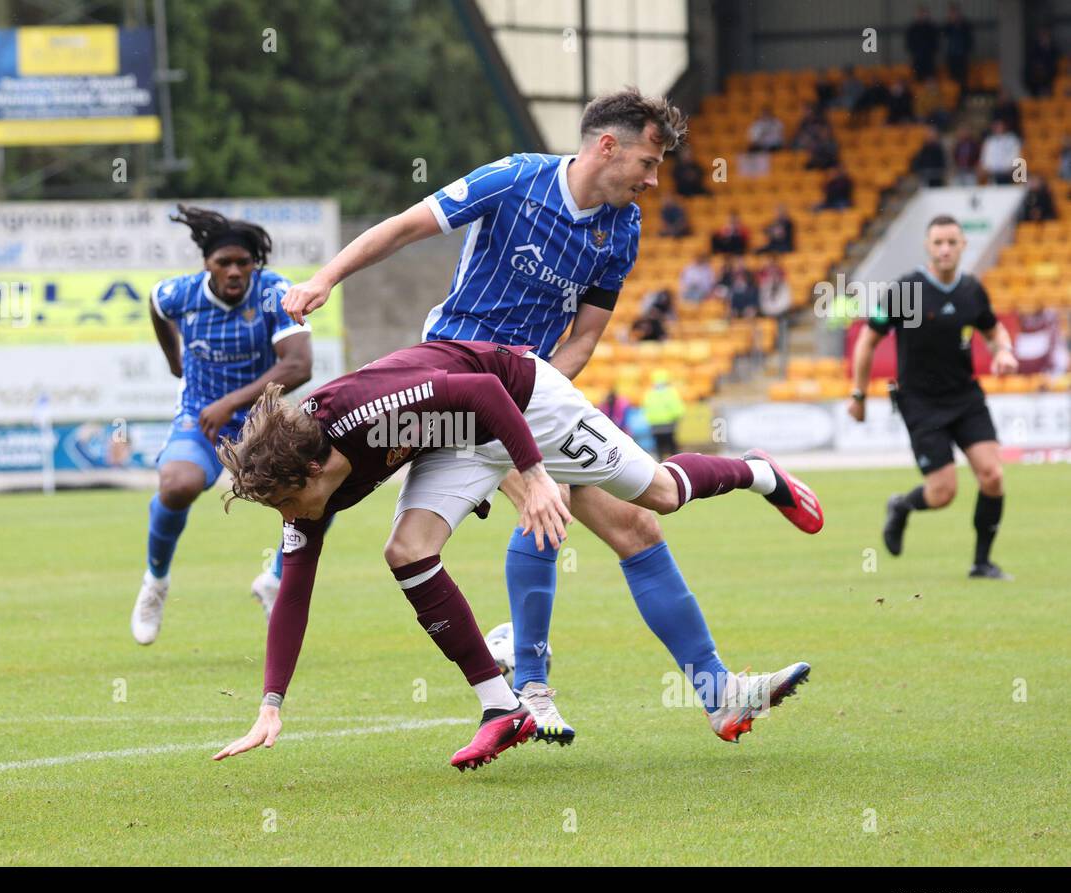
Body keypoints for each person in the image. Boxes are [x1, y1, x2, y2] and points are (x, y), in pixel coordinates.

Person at [277, 89, 822, 750]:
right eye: (648, 162)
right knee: (546, 505)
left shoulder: (621, 226)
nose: (654, 180)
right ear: (607, 146)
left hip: (532, 388)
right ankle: (531, 687)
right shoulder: (514, 180)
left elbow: (586, 338)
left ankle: (693, 691)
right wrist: (324, 280)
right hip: (449, 387)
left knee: (635, 521)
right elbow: (402, 228)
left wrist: (541, 407)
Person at [211, 341, 819, 767]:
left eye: (288, 503)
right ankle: (502, 706)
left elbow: (482, 389)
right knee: (408, 551)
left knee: (658, 496)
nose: (289, 518)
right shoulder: (305, 485)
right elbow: (294, 587)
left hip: (523, 401)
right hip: (457, 442)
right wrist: (270, 705)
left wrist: (534, 476)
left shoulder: (365, 416)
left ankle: (757, 472)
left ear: (313, 469)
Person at [129, 207, 312, 644]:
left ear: (254, 265)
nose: (234, 271)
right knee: (177, 484)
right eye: (223, 262)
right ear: (207, 265)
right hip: (200, 415)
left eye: (243, 263)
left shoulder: (273, 293)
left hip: (262, 420)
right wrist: (175, 361)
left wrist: (230, 401)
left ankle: (273, 579)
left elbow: (300, 364)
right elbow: (156, 305)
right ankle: (155, 583)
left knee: (320, 491)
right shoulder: (182, 294)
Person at [847, 215, 1017, 580]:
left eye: (951, 242)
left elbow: (994, 329)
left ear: (962, 246)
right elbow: (867, 341)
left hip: (965, 396)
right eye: (938, 242)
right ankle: (902, 506)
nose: (944, 249)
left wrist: (1003, 349)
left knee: (992, 476)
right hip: (920, 401)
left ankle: (981, 563)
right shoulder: (907, 291)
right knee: (942, 493)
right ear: (928, 246)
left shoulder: (971, 289)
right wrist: (858, 394)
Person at [642, 369, 684, 458]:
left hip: (655, 424)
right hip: (669, 423)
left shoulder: (649, 393)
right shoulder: (670, 392)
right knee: (671, 446)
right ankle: (675, 462)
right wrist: (679, 415)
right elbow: (676, 407)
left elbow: (646, 408)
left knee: (659, 446)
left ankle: (661, 463)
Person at [943, 2, 973, 94]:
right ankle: (953, 96)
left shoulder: (965, 25)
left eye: (955, 13)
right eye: (952, 13)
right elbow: (945, 35)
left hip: (962, 55)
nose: (954, 15)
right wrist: (950, 23)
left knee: (963, 77)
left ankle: (963, 95)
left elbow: (969, 39)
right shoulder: (948, 26)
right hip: (952, 55)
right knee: (952, 77)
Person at [979, 120, 1022, 184]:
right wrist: (985, 167)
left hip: (1008, 172)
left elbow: (1016, 154)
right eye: (997, 127)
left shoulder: (1012, 140)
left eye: (1000, 126)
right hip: (992, 172)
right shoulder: (990, 141)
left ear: (1005, 127)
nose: (999, 129)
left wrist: (1011, 167)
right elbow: (985, 156)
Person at [906, 6, 939, 82]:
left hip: (929, 58)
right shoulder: (912, 28)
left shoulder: (931, 28)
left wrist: (931, 51)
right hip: (917, 58)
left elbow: (935, 43)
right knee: (918, 79)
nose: (921, 16)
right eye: (920, 14)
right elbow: (909, 43)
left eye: (923, 13)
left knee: (930, 79)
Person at [1025, 27, 1061, 98]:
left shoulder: (1054, 49)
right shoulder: (1034, 49)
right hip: (1036, 77)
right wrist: (1038, 68)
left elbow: (1055, 63)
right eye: (1042, 36)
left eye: (1045, 36)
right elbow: (1032, 62)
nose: (1044, 38)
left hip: (1050, 75)